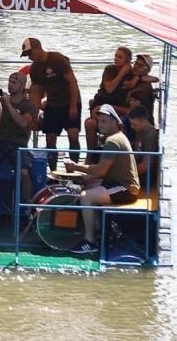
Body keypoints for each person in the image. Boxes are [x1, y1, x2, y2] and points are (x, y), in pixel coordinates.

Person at [60, 105, 141, 255]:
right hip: (117, 183)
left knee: (86, 197)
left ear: (114, 122)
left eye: (104, 121)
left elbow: (101, 170)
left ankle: (89, 241)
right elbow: (104, 171)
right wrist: (87, 177)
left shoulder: (113, 141)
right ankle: (96, 227)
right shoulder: (116, 137)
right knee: (88, 186)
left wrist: (75, 166)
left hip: (126, 188)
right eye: (99, 121)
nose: (100, 125)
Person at [22, 36, 82, 164]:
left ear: (38, 48)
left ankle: (75, 170)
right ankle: (53, 171)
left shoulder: (57, 59)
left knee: (73, 135)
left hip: (69, 100)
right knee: (50, 138)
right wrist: (35, 114)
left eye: (30, 53)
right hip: (53, 103)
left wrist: (73, 106)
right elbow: (37, 93)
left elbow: (72, 82)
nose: (29, 57)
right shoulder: (34, 69)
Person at [0, 70, 40, 214]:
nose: (10, 84)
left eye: (15, 82)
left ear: (22, 87)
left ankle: (29, 206)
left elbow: (22, 123)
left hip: (18, 144)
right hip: (0, 142)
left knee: (24, 173)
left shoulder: (29, 106)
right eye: (9, 81)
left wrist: (8, 105)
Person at [128, 104, 160, 192]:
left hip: (146, 176)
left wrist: (126, 173)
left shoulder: (150, 136)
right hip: (137, 168)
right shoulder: (140, 130)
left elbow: (146, 165)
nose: (132, 127)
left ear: (144, 121)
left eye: (134, 124)